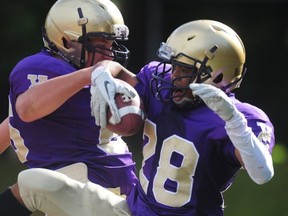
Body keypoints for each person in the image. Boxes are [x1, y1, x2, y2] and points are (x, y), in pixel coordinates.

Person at [12, 19, 275, 215]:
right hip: (133, 210)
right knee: (34, 182)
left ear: (216, 76)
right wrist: (102, 70)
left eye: (183, 69)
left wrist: (234, 123)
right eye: (173, 65)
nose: (172, 75)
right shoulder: (159, 84)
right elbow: (124, 78)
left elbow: (262, 174)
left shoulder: (244, 119)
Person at [0, 0, 138, 215]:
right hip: (81, 187)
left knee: (31, 185)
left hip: (110, 194)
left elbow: (17, 121)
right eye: (101, 46)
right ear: (65, 40)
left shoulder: (81, 80)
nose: (109, 55)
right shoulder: (43, 68)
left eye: (111, 46)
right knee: (32, 183)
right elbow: (26, 111)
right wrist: (90, 74)